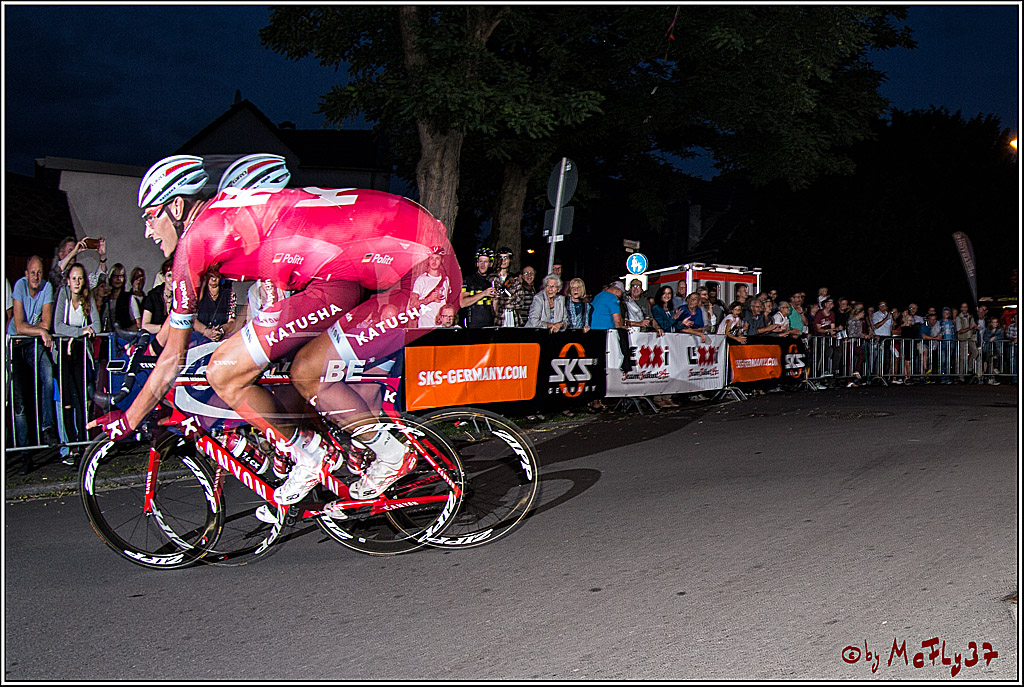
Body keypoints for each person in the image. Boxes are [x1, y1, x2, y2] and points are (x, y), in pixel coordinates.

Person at [90, 154, 462, 514]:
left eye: (150, 216)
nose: (147, 230)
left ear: (176, 207)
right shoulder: (227, 213)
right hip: (352, 274)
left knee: (228, 371)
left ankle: (376, 455)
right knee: (298, 371)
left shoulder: (196, 239)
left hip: (422, 277)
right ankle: (324, 453)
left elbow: (174, 356)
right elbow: (190, 326)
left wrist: (128, 419)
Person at [7, 256, 58, 469]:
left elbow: (47, 322)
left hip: (31, 341)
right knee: (19, 401)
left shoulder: (47, 287)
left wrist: (38, 331)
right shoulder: (19, 286)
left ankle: (47, 427)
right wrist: (40, 331)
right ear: (26, 275)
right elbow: (19, 326)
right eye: (33, 273)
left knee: (47, 373)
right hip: (15, 343)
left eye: (39, 272)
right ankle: (24, 453)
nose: (36, 277)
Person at [52, 262, 100, 465]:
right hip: (64, 352)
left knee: (81, 399)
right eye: (74, 279)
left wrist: (80, 335)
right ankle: (70, 445)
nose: (77, 282)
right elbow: (57, 326)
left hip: (80, 351)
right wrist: (79, 332)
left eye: (80, 278)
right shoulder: (63, 295)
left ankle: (82, 444)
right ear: (68, 281)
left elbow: (96, 325)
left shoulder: (88, 298)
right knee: (66, 400)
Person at [409, 246, 453, 328]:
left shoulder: (446, 280)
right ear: (428, 260)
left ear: (442, 261)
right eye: (431, 258)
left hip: (441, 326)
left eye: (437, 258)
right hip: (425, 325)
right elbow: (412, 304)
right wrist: (429, 299)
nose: (434, 261)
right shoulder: (421, 279)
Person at [193, 264, 237, 343]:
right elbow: (192, 319)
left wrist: (222, 330)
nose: (213, 278)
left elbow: (232, 321)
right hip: (198, 339)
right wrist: (206, 331)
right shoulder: (198, 293)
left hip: (220, 341)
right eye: (211, 275)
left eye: (216, 275)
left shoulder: (230, 294)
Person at [460, 247, 497, 328]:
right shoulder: (468, 280)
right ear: (477, 263)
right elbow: (462, 303)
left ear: (490, 264)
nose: (482, 265)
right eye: (480, 261)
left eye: (485, 262)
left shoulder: (493, 280)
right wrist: (483, 294)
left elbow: (495, 309)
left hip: (489, 325)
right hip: (473, 326)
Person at [489, 247, 524, 327]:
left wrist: (502, 301)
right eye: (500, 258)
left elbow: (520, 302)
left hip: (512, 317)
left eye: (505, 258)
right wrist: (509, 299)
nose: (503, 261)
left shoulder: (514, 279)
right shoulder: (490, 278)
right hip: (496, 319)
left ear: (510, 260)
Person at [141, 258, 175, 336]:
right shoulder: (153, 295)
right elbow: (145, 325)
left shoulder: (183, 296)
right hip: (155, 337)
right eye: (169, 276)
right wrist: (164, 329)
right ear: (163, 277)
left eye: (176, 276)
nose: (172, 280)